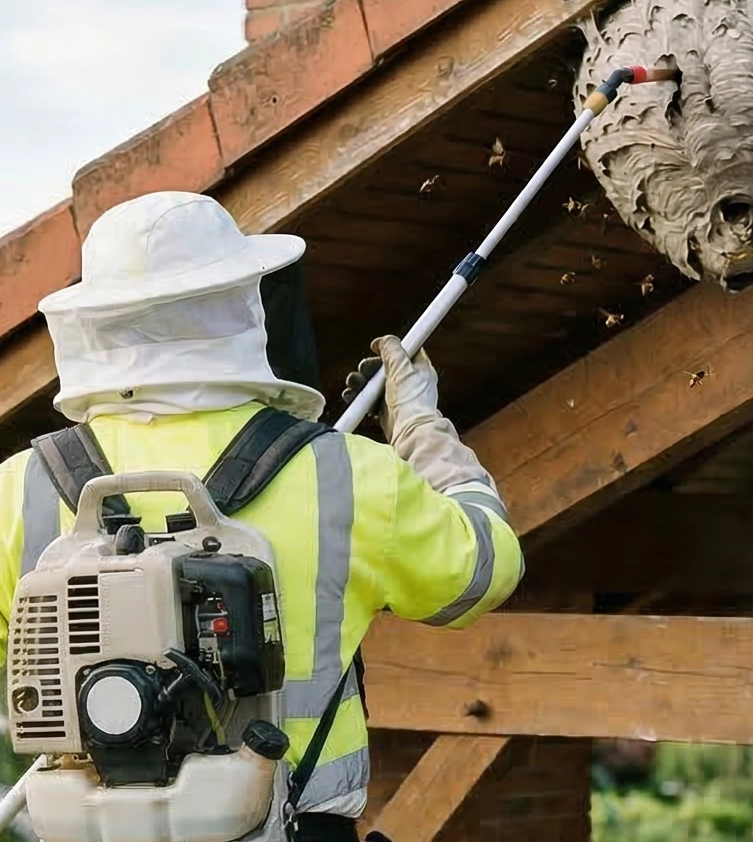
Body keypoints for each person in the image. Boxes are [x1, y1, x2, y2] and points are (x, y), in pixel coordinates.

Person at [0, 191, 523, 842]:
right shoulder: (346, 474)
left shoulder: (17, 490)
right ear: (238, 302)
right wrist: (421, 428)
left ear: (96, 321)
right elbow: (483, 570)